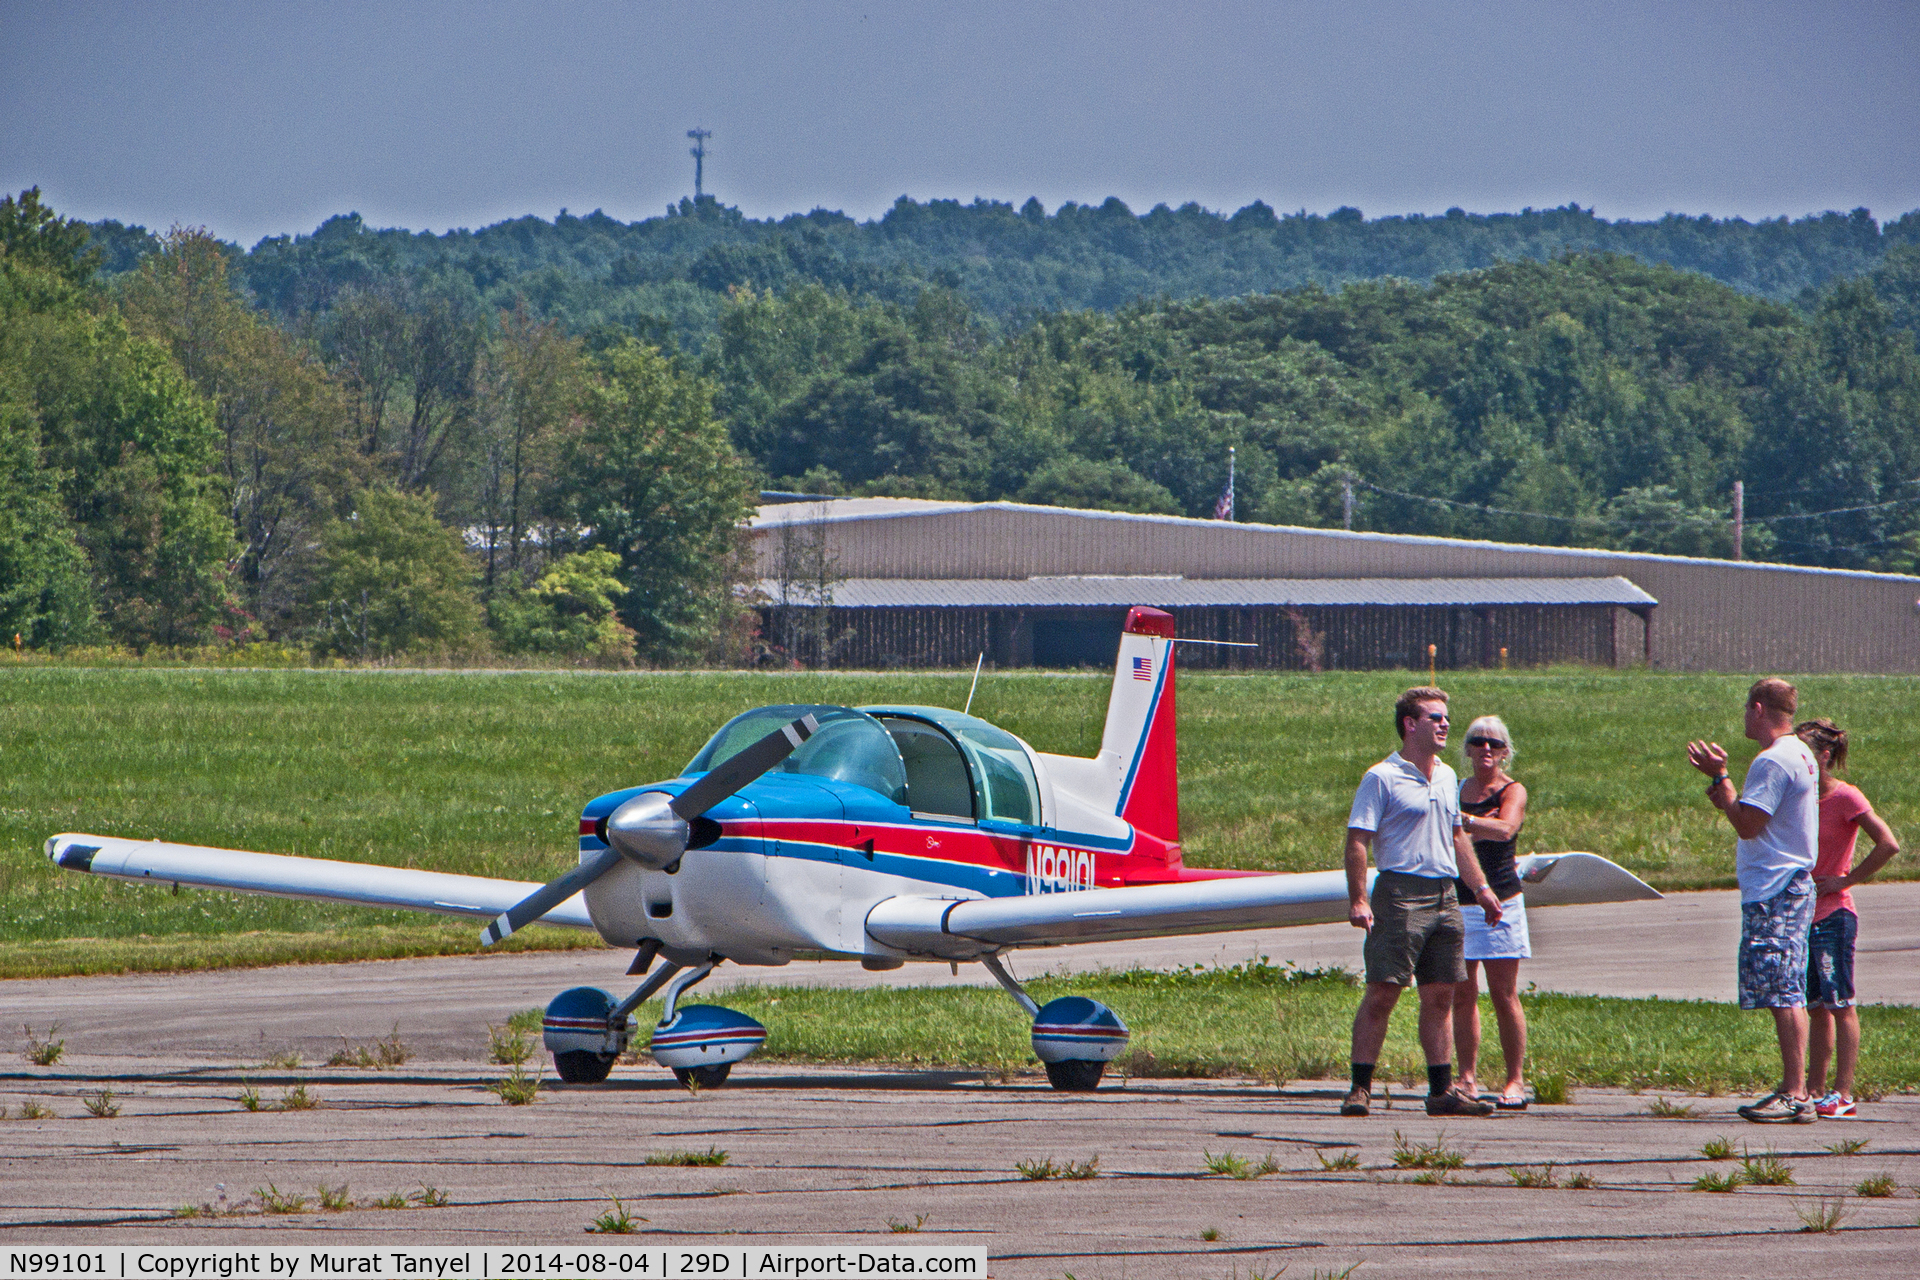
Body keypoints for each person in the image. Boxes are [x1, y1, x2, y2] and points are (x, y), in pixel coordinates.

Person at [1342, 686, 1504, 1119]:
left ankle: (1441, 1091)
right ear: (1410, 725)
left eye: (1446, 718)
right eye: (1435, 718)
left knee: (1441, 995)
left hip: (1444, 894)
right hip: (1399, 894)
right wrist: (1359, 898)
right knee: (1384, 991)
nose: (1446, 724)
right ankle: (1360, 1087)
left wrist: (1483, 889)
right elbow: (1358, 839)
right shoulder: (1381, 776)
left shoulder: (1449, 776)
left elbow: (1456, 836)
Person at [1687, 677, 1820, 1124]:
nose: (1745, 714)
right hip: (1790, 884)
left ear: (1759, 708)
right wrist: (1729, 798)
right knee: (1788, 987)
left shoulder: (1772, 761)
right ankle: (1795, 1087)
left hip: (1776, 887)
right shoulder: (1801, 751)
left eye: (1748, 707)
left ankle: (1796, 1093)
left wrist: (1722, 783)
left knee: (1784, 991)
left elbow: (1748, 826)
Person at [1794, 718, 1902, 1118]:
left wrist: (1844, 880)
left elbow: (1888, 844)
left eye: (1805, 752)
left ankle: (1843, 1093)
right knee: (1815, 1005)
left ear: (1824, 756)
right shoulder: (1796, 797)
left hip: (1833, 915)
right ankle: (1815, 1088)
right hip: (1800, 914)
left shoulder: (1845, 797)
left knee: (1840, 1002)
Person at [1449, 715, 1531, 1109]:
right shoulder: (1454, 787)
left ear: (1505, 752)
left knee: (1503, 993)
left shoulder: (1512, 790)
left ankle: (1515, 1080)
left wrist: (1462, 821)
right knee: (1462, 993)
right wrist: (1475, 824)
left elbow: (1505, 829)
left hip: (1502, 899)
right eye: (1479, 742)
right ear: (1467, 748)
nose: (1486, 750)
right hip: (1458, 900)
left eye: (1495, 744)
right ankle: (1466, 1077)